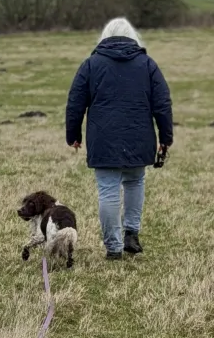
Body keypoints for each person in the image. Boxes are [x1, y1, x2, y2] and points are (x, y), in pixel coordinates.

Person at [65, 17, 173, 261]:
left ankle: (113, 247)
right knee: (135, 182)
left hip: (103, 139)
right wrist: (166, 138)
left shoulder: (91, 64)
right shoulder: (147, 64)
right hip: (139, 136)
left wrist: (73, 135)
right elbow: (162, 104)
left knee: (108, 192)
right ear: (133, 37)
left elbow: (75, 103)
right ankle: (131, 233)